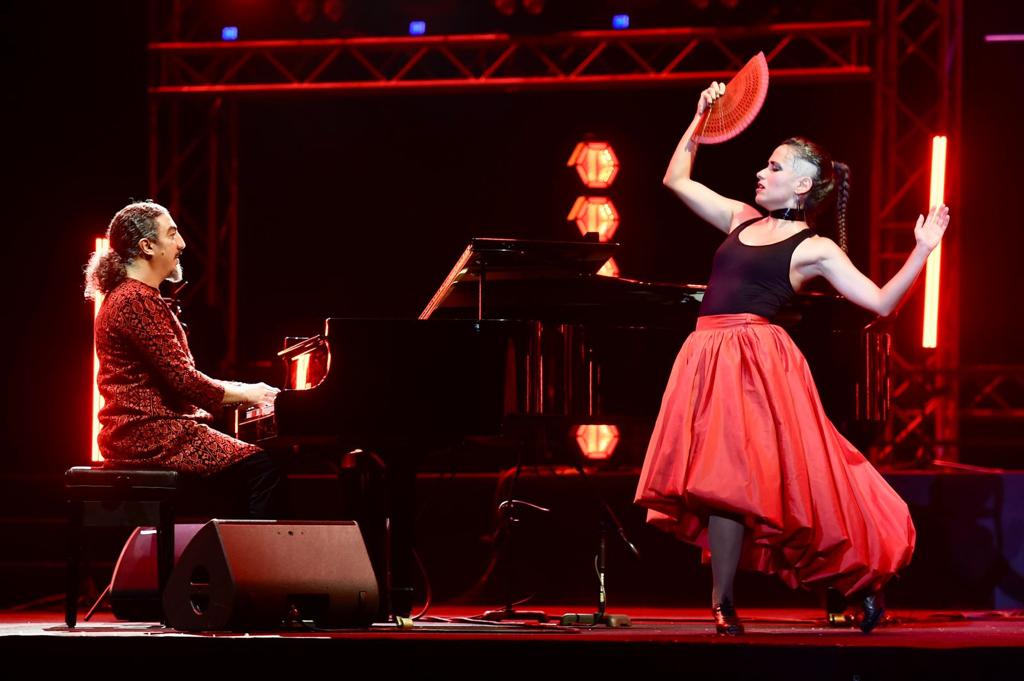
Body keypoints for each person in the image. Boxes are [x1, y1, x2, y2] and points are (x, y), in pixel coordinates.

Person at [634, 82, 949, 635]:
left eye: (774, 167)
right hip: (706, 354)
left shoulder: (815, 248)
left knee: (803, 478)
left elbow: (879, 302)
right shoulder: (740, 218)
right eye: (765, 164)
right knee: (720, 482)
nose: (761, 173)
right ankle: (723, 603)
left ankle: (861, 578)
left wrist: (922, 250)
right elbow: (675, 179)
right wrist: (700, 119)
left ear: (802, 184)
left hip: (757, 362)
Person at [84, 200, 285, 518]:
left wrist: (245, 391)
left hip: (151, 433)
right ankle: (246, 553)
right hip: (152, 436)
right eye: (172, 233)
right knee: (263, 467)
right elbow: (184, 381)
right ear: (147, 246)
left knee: (247, 469)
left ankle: (226, 545)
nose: (182, 244)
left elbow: (180, 375)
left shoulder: (130, 296)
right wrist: (249, 394)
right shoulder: (135, 299)